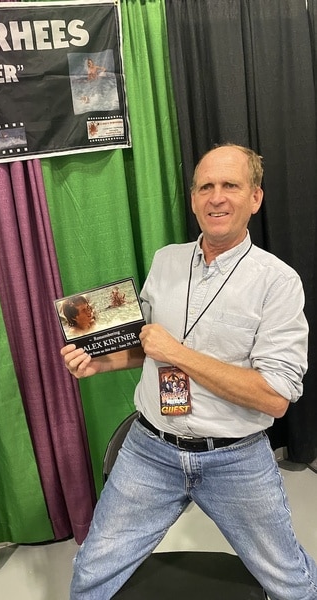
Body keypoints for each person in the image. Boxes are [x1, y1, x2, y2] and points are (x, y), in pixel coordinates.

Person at [61, 144, 317, 600]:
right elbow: (146, 347)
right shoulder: (167, 260)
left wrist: (177, 352)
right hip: (150, 449)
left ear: (254, 198)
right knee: (90, 578)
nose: (216, 197)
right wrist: (100, 362)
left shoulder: (278, 282)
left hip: (235, 457)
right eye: (206, 187)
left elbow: (274, 396)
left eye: (230, 186)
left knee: (291, 583)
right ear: (194, 197)